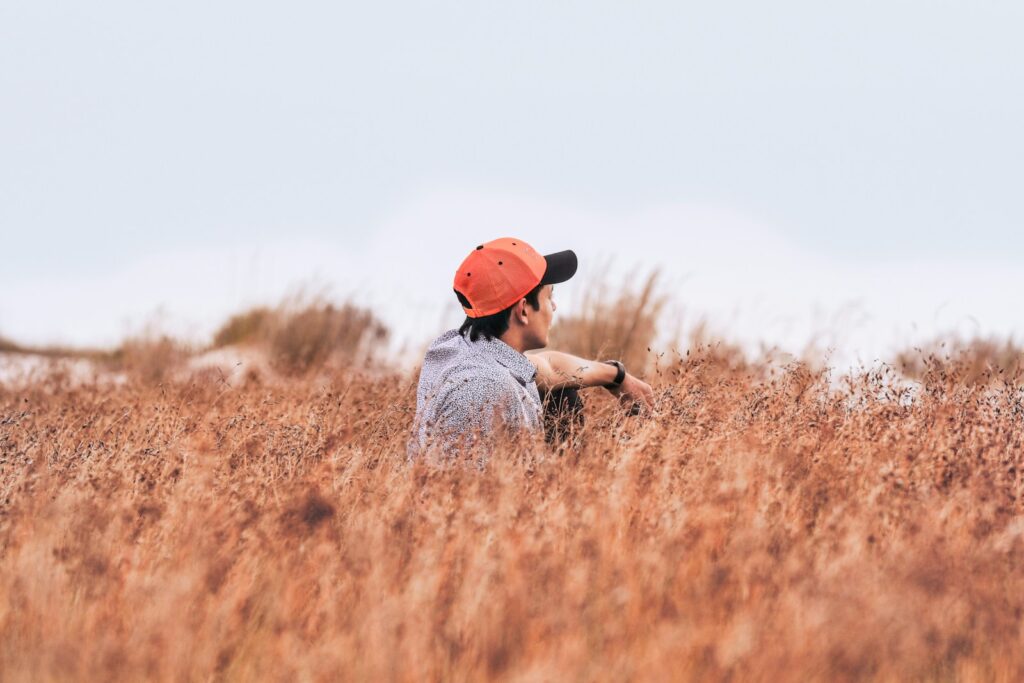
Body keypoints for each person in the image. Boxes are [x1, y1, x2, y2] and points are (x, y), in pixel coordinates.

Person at [408, 237, 655, 461]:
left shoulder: (458, 347)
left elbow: (549, 368)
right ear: (524, 309)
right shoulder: (484, 390)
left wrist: (617, 377)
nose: (554, 307)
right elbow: (463, 497)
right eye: (550, 297)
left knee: (560, 395)